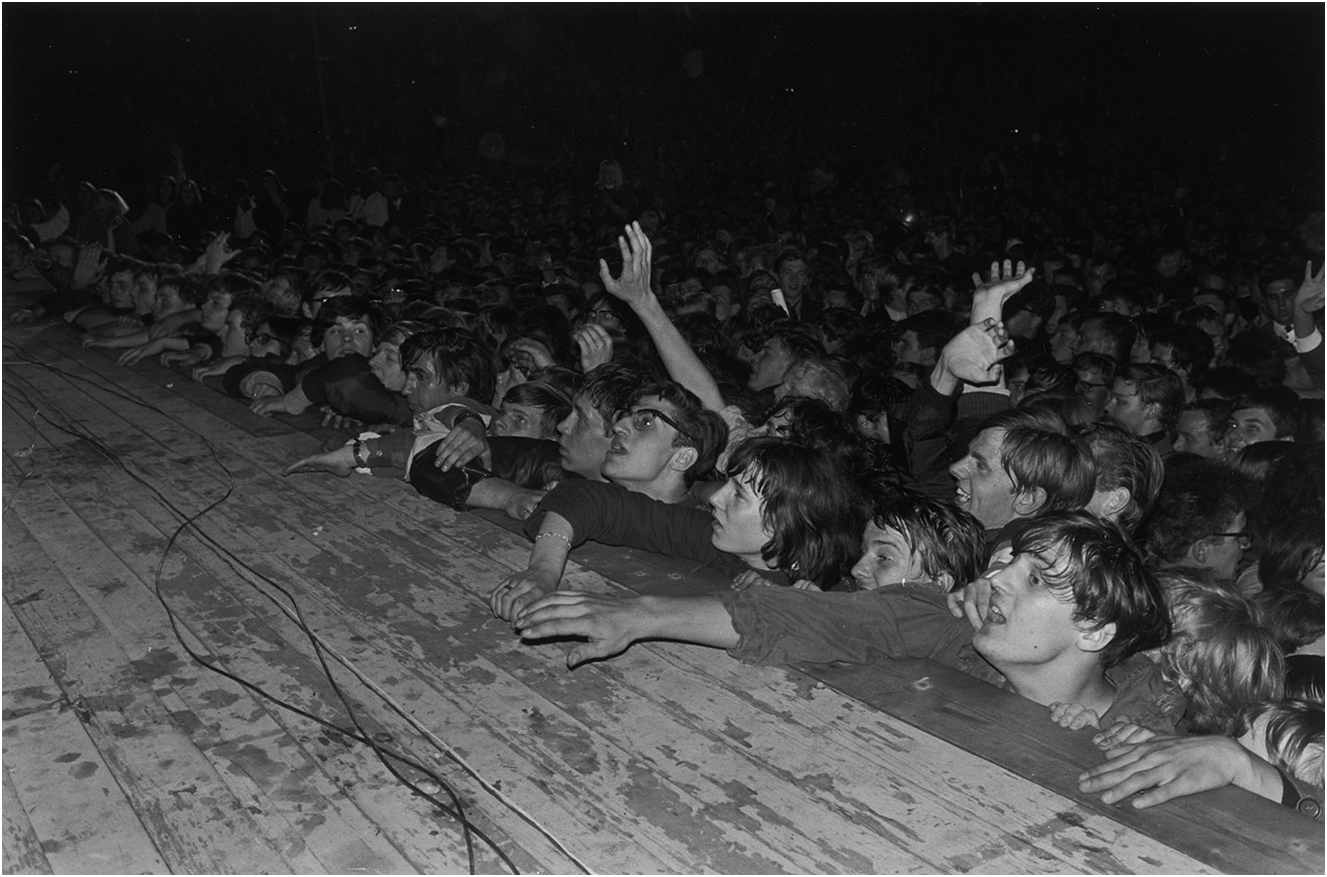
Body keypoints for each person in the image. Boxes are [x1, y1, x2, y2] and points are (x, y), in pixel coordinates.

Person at [513, 512, 1180, 732]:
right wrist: (638, 614)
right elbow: (811, 619)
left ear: (1094, 630)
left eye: (1034, 579)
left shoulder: (1150, 718)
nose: (995, 578)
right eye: (1006, 563)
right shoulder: (944, 624)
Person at [490, 437, 865, 621]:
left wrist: (787, 601)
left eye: (738, 496)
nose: (716, 499)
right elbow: (584, 497)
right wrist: (544, 570)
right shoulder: (717, 540)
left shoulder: (841, 591)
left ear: (784, 523)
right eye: (726, 485)